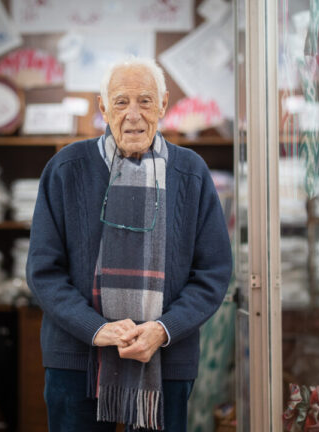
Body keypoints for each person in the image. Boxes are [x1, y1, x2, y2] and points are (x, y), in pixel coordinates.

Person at [26, 57, 232, 431]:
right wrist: (95, 327)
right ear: (103, 107)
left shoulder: (191, 172)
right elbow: (44, 272)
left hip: (166, 358)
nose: (133, 114)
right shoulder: (66, 169)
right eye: (121, 102)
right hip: (77, 358)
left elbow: (212, 274)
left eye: (145, 101)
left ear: (164, 104)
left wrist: (163, 329)